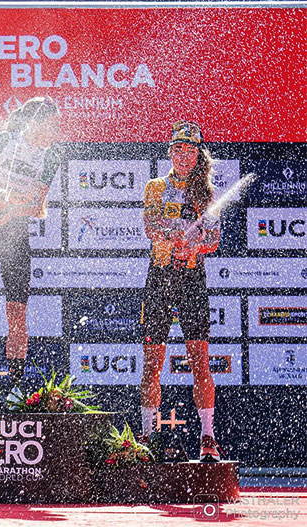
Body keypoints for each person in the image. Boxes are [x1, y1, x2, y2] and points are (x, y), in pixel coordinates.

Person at [0, 96, 62, 412]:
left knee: (17, 313)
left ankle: (16, 389)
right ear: (34, 123)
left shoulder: (51, 156)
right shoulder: (0, 140)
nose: (54, 132)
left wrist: (12, 210)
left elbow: (37, 206)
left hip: (16, 234)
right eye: (50, 126)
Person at [140, 121, 222, 462]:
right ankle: (147, 437)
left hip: (191, 279)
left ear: (198, 155)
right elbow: (149, 226)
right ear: (170, 152)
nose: (184, 156)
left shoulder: (208, 192)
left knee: (200, 361)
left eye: (190, 151)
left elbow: (213, 240)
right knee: (152, 363)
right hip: (160, 277)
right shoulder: (156, 186)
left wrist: (195, 246)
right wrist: (170, 237)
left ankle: (208, 437)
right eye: (178, 149)